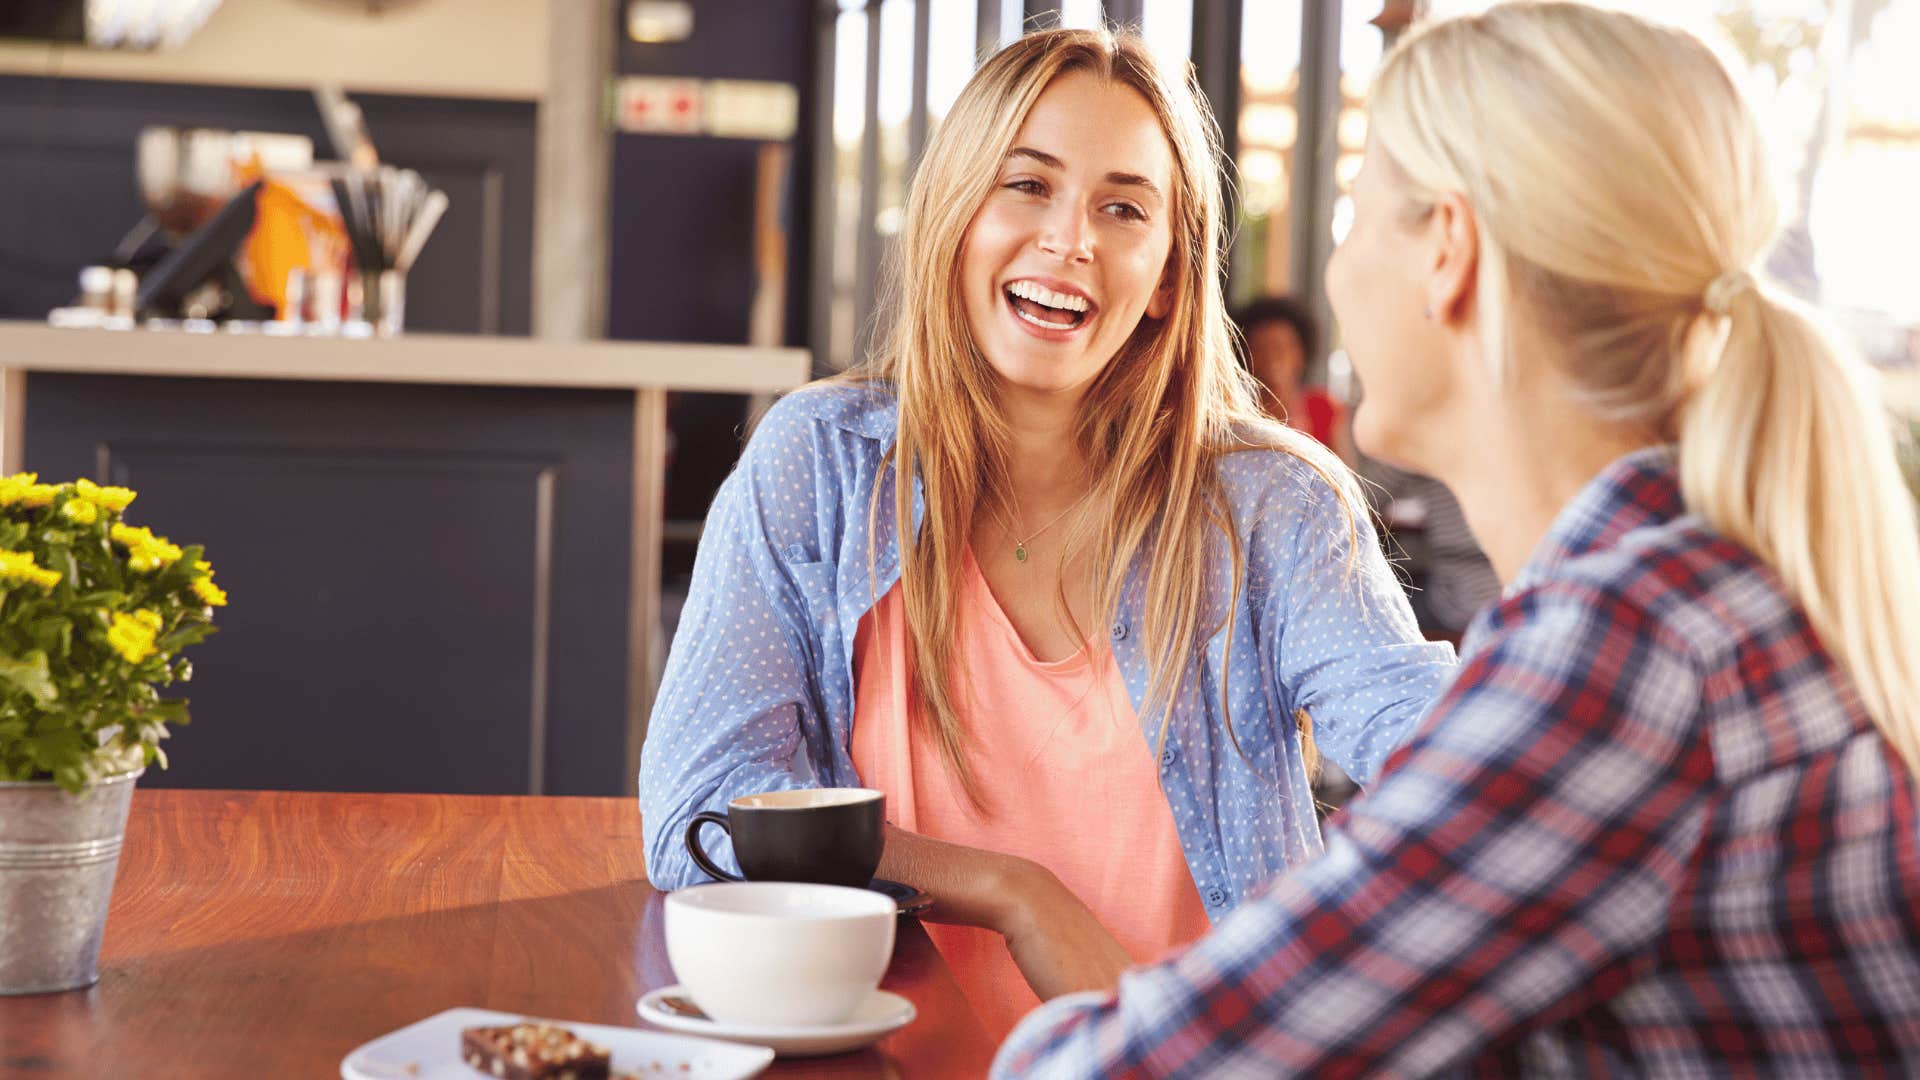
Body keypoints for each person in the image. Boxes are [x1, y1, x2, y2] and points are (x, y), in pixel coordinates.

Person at [996, 3, 1920, 1074]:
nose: (1334, 274)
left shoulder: (1624, 649)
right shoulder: (1705, 583)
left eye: (1354, 212)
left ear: (1450, 250)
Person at [639, 28, 1455, 1039]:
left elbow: (1439, 753)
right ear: (957, 214)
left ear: (1166, 275)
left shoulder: (1269, 503)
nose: (1071, 240)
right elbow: (706, 816)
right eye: (1028, 186)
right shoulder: (823, 466)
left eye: (1123, 208)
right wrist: (1013, 892)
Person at [1234, 295, 1349, 456]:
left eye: (1281, 348)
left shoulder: (1323, 408)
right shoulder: (1235, 411)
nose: (1272, 358)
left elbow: (1341, 475)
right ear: (1245, 355)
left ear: (1301, 353)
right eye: (1261, 348)